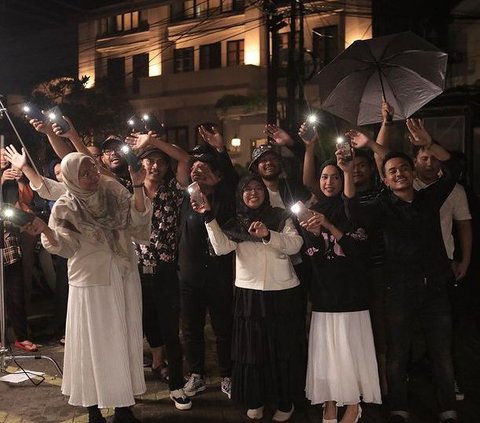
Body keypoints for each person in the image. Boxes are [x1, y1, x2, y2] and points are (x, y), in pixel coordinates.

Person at [344, 123, 462, 423]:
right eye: (392, 171)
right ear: (384, 178)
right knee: (398, 352)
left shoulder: (428, 199)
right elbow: (353, 210)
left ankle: (447, 407)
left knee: (441, 352)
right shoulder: (382, 206)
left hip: (435, 287)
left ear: (412, 173)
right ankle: (399, 408)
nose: (399, 173)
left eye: (404, 169)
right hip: (399, 289)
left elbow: (454, 169)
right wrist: (346, 172)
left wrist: (429, 142)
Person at [25, 152, 152, 423]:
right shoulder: (65, 206)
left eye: (93, 169)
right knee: (92, 345)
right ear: (71, 177)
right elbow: (67, 248)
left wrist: (138, 186)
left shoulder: (111, 190)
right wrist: (46, 232)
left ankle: (123, 406)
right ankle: (93, 407)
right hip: (90, 283)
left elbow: (139, 225)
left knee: (124, 338)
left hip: (123, 274)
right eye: (84, 173)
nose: (93, 176)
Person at [192, 174, 305, 421]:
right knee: (253, 351)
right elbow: (221, 247)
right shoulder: (236, 222)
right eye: (247, 189)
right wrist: (208, 216)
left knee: (281, 350)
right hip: (249, 294)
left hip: (281, 292)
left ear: (265, 192)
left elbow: (295, 244)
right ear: (240, 194)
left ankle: (285, 402)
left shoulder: (280, 215)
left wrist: (268, 235)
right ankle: (256, 399)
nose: (253, 192)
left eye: (258, 188)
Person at [300, 153, 381, 423]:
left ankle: (353, 403)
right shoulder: (312, 212)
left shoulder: (354, 209)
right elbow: (315, 258)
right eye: (324, 177)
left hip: (352, 293)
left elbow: (357, 250)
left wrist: (329, 227)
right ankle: (330, 401)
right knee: (328, 351)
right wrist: (313, 236)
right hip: (324, 293)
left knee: (349, 349)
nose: (329, 182)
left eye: (336, 177)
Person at [127, 131, 193, 410]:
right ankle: (129, 385)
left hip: (165, 270)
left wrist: (152, 142)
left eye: (160, 162)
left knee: (170, 331)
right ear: (139, 165)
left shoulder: (173, 192)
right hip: (134, 270)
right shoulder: (129, 190)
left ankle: (177, 386)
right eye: (149, 161)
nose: (155, 166)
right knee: (139, 328)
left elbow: (186, 158)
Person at [178, 125, 238, 399]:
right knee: (191, 330)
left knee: (224, 328)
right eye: (195, 168)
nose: (196, 171)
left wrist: (221, 150)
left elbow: (233, 180)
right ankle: (197, 375)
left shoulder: (225, 199)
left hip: (220, 276)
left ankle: (228, 374)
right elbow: (180, 161)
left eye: (204, 169)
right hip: (190, 277)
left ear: (217, 177)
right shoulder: (186, 198)